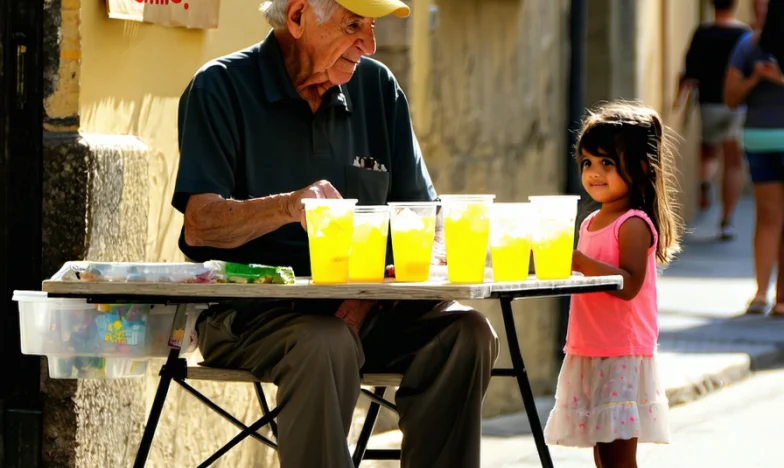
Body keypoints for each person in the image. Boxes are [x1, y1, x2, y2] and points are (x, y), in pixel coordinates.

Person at [171, 0, 499, 467]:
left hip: (367, 310)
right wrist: (286, 207)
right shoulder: (220, 87)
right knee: (325, 341)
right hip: (251, 314)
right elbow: (201, 224)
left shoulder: (377, 88)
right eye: (353, 26)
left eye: (372, 27)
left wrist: (367, 298)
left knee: (469, 332)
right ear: (299, 17)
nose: (369, 44)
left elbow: (428, 220)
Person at [544, 102, 684, 468]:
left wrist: (579, 262)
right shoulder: (590, 221)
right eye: (588, 162)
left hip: (622, 350)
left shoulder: (633, 223)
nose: (594, 173)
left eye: (608, 163)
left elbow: (630, 285)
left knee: (619, 453)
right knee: (602, 450)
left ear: (640, 167)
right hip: (589, 346)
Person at [724, 0, 784, 317]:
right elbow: (731, 98)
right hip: (762, 141)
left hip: (760, 139)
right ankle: (768, 296)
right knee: (771, 218)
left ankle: (770, 296)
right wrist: (756, 79)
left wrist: (773, 79)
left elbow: (728, 99)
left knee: (769, 218)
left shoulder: (748, 45)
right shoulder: (749, 46)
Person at [675, 0, 749, 240]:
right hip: (736, 105)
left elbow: (689, 73)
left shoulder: (703, 33)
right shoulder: (744, 35)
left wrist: (678, 101)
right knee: (733, 162)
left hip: (708, 104)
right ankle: (726, 222)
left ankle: (705, 179)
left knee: (709, 150)